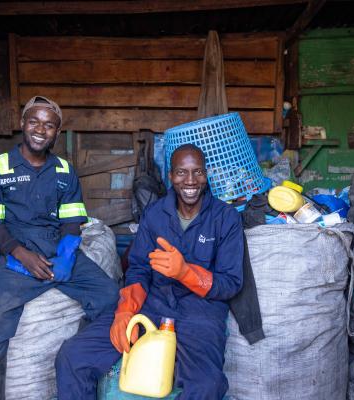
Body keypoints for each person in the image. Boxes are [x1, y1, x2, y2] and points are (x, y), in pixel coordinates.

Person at [55, 143, 244, 400]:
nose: (190, 180)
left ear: (206, 174)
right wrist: (125, 311)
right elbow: (139, 268)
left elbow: (231, 283)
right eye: (181, 172)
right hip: (152, 305)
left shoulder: (226, 217)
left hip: (200, 312)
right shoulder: (155, 214)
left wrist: (186, 272)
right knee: (73, 356)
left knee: (206, 385)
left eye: (197, 172)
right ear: (170, 176)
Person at [0, 96, 119, 400]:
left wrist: (67, 255)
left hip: (57, 247)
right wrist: (19, 254)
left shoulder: (65, 170)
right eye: (34, 121)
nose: (40, 129)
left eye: (49, 125)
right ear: (22, 124)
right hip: (16, 253)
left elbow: (71, 220)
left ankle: (85, 366)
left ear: (57, 132)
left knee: (108, 295)